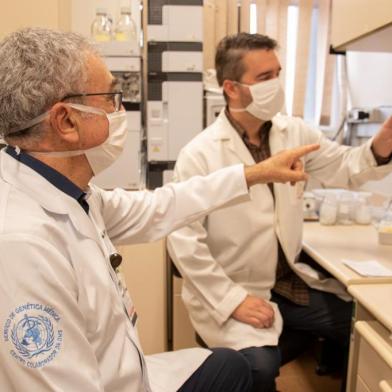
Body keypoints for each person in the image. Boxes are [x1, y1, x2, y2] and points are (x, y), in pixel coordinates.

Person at [0, 28, 319, 392]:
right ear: (67, 122)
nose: (121, 110)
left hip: (124, 371)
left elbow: (159, 207)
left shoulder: (66, 192)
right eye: (110, 97)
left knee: (229, 366)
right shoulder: (22, 244)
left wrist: (254, 173)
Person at [167, 32, 392, 392]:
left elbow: (347, 167)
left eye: (278, 73)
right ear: (231, 88)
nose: (277, 84)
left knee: (355, 324)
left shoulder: (294, 133)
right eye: (264, 78)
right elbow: (185, 244)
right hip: (235, 287)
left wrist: (379, 148)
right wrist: (233, 301)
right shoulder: (201, 154)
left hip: (288, 285)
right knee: (256, 368)